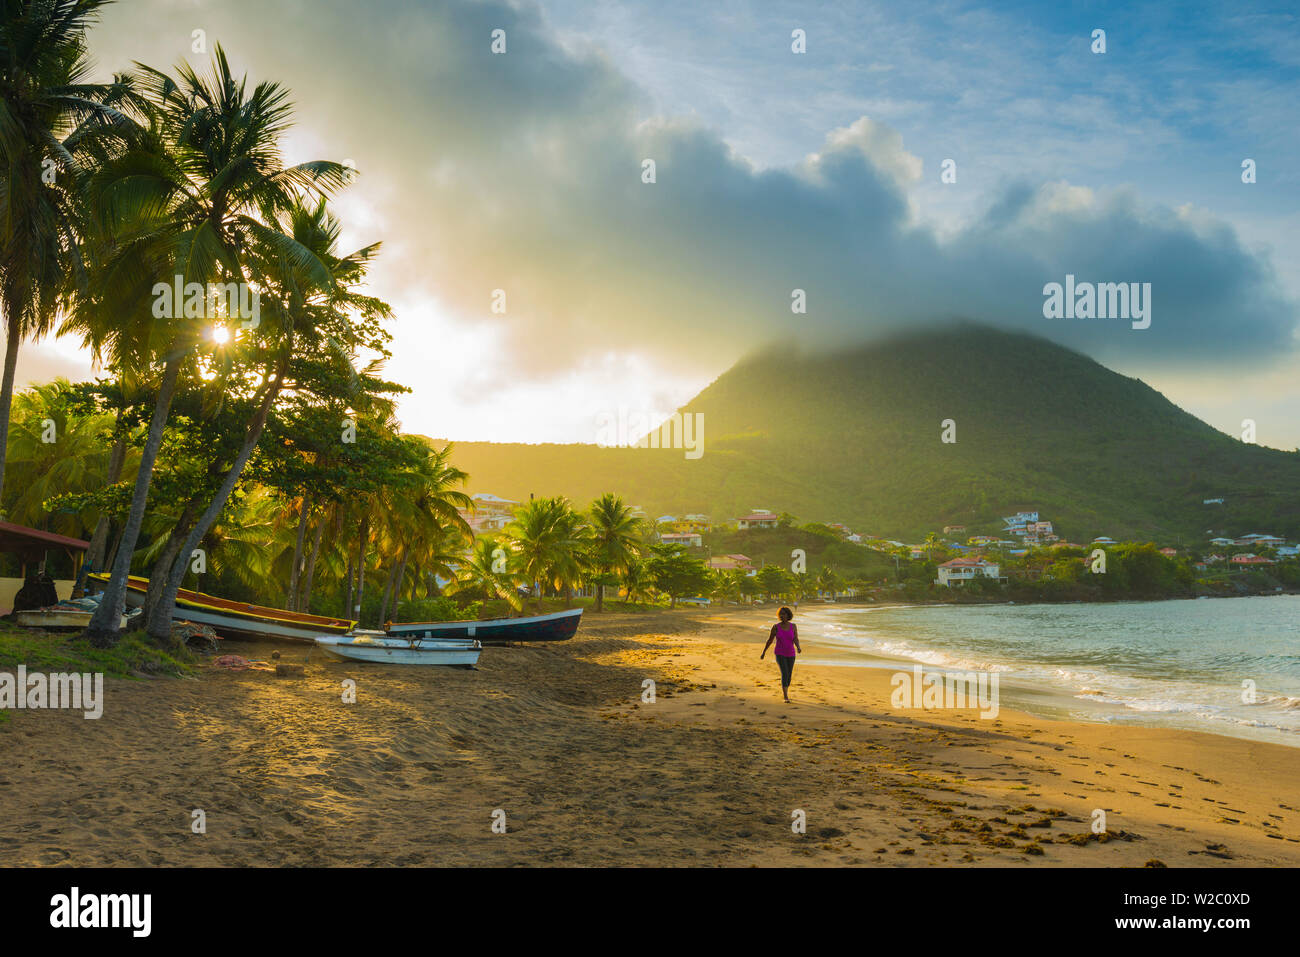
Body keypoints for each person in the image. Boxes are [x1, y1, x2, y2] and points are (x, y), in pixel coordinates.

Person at [760, 606, 801, 702]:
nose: (782, 616)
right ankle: (785, 696)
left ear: (788, 615)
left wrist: (798, 647)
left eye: (784, 614)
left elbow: (795, 638)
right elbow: (770, 640)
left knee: (789, 675)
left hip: (791, 653)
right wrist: (764, 652)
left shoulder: (793, 626)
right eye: (780, 614)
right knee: (785, 673)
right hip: (780, 653)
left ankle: (786, 689)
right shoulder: (776, 627)